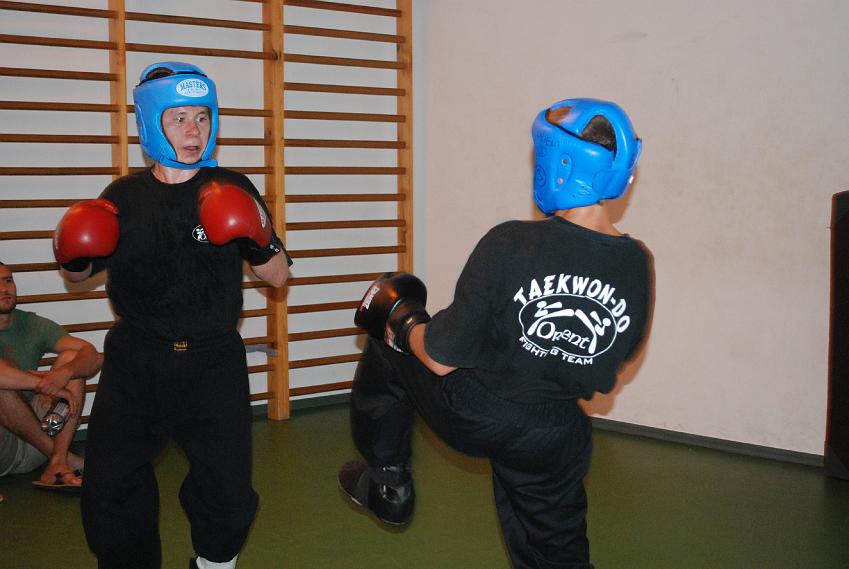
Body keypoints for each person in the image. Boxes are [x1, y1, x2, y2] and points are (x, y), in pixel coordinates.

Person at [338, 98, 652, 568]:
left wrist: (402, 321)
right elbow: (621, 356)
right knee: (556, 555)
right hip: (557, 433)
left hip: (478, 411)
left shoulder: (511, 243)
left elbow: (440, 356)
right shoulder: (636, 263)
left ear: (559, 163)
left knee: (387, 330)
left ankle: (387, 482)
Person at [53, 61, 292, 569]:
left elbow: (277, 277)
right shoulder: (123, 197)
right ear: (151, 124)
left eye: (202, 117)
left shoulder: (231, 187)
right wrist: (73, 251)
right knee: (111, 485)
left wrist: (258, 234)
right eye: (179, 118)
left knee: (228, 493)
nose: (193, 131)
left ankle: (213, 563)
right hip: (136, 362)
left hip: (212, 362)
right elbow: (78, 277)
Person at [0, 262, 101, 499]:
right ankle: (65, 459)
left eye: (8, 280)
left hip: (34, 439)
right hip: (4, 449)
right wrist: (40, 382)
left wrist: (63, 374)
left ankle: (57, 462)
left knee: (73, 359)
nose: (4, 289)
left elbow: (92, 356)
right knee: (3, 386)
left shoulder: (30, 323)